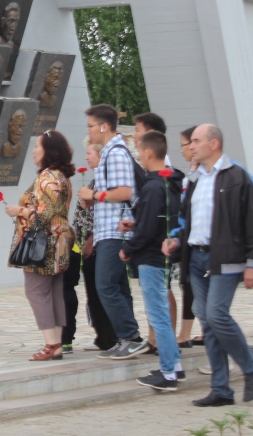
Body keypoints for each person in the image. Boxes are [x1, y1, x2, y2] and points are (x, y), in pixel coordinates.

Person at [163, 124, 253, 406]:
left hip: (226, 258)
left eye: (196, 141)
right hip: (195, 258)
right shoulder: (194, 180)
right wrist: (175, 240)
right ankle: (221, 389)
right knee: (208, 323)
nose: (190, 146)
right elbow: (185, 221)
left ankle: (252, 367)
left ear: (214, 144)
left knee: (217, 315)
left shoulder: (239, 177)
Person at [77, 104, 146, 359]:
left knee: (105, 284)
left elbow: (125, 192)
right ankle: (124, 338)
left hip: (116, 231)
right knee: (116, 286)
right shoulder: (110, 152)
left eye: (91, 126)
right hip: (109, 229)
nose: (89, 130)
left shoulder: (115, 153)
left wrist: (93, 194)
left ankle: (131, 337)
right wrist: (94, 199)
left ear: (104, 127)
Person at [4, 130, 75, 361]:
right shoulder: (62, 177)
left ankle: (51, 343)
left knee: (36, 290)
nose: (33, 150)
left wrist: (19, 211)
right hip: (59, 242)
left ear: (49, 151)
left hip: (43, 244)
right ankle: (56, 343)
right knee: (54, 291)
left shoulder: (47, 178)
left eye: (37, 146)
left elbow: (42, 216)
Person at [123, 131, 186, 391]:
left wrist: (129, 247)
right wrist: (137, 224)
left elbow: (148, 228)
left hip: (150, 257)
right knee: (159, 312)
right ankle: (175, 366)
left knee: (157, 315)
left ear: (149, 153)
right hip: (164, 254)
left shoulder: (151, 187)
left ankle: (168, 373)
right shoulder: (170, 182)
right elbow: (160, 220)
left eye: (138, 151)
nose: (138, 157)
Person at [68, 141, 118, 353]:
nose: (86, 157)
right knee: (92, 292)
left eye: (90, 153)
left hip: (96, 245)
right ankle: (101, 335)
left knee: (102, 291)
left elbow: (100, 215)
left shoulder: (105, 184)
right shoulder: (94, 181)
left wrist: (90, 240)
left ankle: (110, 337)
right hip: (85, 246)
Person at [132, 111, 172, 352]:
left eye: (137, 130)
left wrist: (129, 247)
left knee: (160, 303)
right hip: (153, 247)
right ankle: (156, 341)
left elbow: (155, 216)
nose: (134, 135)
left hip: (155, 250)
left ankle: (169, 361)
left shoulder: (161, 175)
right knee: (156, 305)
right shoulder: (154, 174)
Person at [177, 126, 201, 348]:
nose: (185, 149)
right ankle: (187, 333)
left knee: (194, 286)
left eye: (184, 145)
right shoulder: (192, 175)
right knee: (189, 285)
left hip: (200, 243)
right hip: (187, 239)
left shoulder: (206, 176)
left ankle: (187, 334)